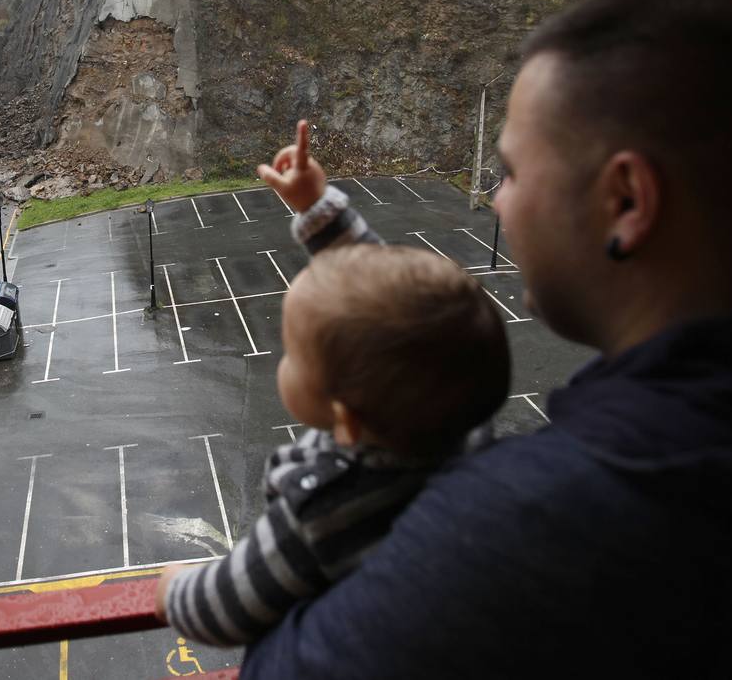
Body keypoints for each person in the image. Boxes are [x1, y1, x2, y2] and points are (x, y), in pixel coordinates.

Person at [241, 0, 732, 678]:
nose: (497, 199)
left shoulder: (522, 531)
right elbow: (396, 320)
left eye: (510, 171)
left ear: (626, 201)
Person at [153, 244, 509, 646]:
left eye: (291, 354)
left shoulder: (324, 510)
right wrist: (319, 210)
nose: (281, 361)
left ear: (345, 417)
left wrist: (174, 591)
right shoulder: (470, 436)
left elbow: (225, 607)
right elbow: (409, 320)